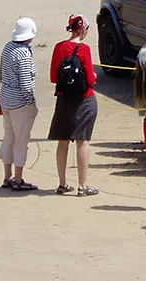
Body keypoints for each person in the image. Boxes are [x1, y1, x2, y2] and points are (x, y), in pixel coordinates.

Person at [47, 14, 99, 196]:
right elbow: (91, 78)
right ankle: (82, 185)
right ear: (83, 30)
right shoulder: (84, 49)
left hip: (63, 98)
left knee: (62, 142)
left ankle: (62, 183)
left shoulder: (59, 47)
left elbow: (54, 77)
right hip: (84, 98)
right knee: (82, 142)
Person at [0, 17, 39, 192]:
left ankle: (7, 176)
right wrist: (31, 104)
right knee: (21, 141)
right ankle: (18, 179)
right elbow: (26, 84)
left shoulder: (8, 47)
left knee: (9, 138)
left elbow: (0, 73)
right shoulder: (23, 53)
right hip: (19, 103)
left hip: (5, 98)